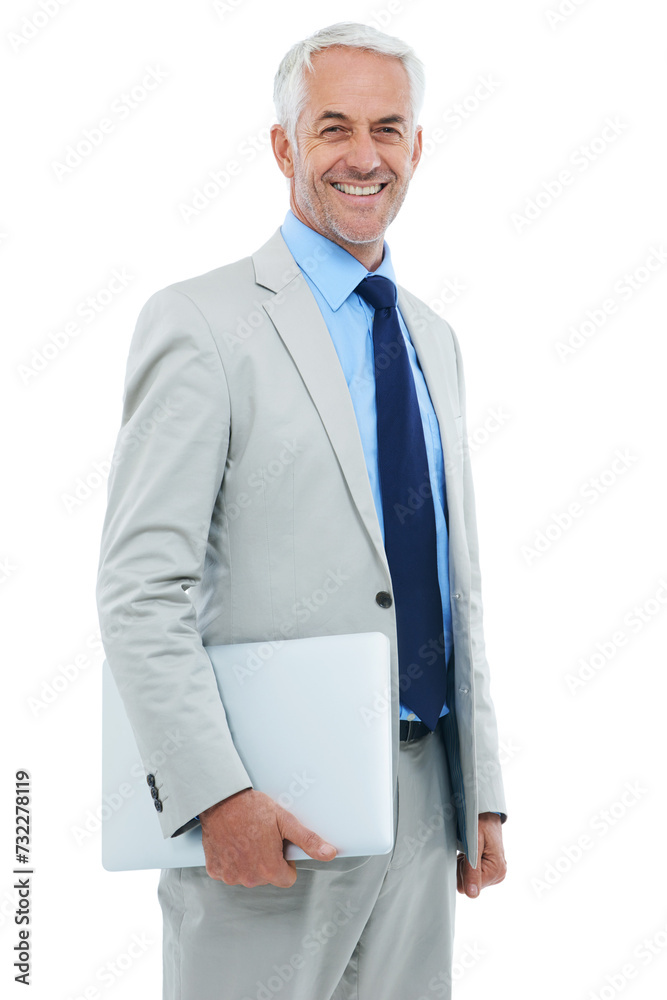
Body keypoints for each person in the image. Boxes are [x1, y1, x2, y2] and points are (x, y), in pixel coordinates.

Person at [96, 21, 508, 1000]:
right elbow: (138, 587)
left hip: (422, 805)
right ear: (284, 148)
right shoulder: (202, 324)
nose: (364, 156)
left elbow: (455, 579)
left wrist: (478, 789)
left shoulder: (433, 338)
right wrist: (215, 793)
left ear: (417, 146)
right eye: (333, 129)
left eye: (389, 129)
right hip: (268, 805)